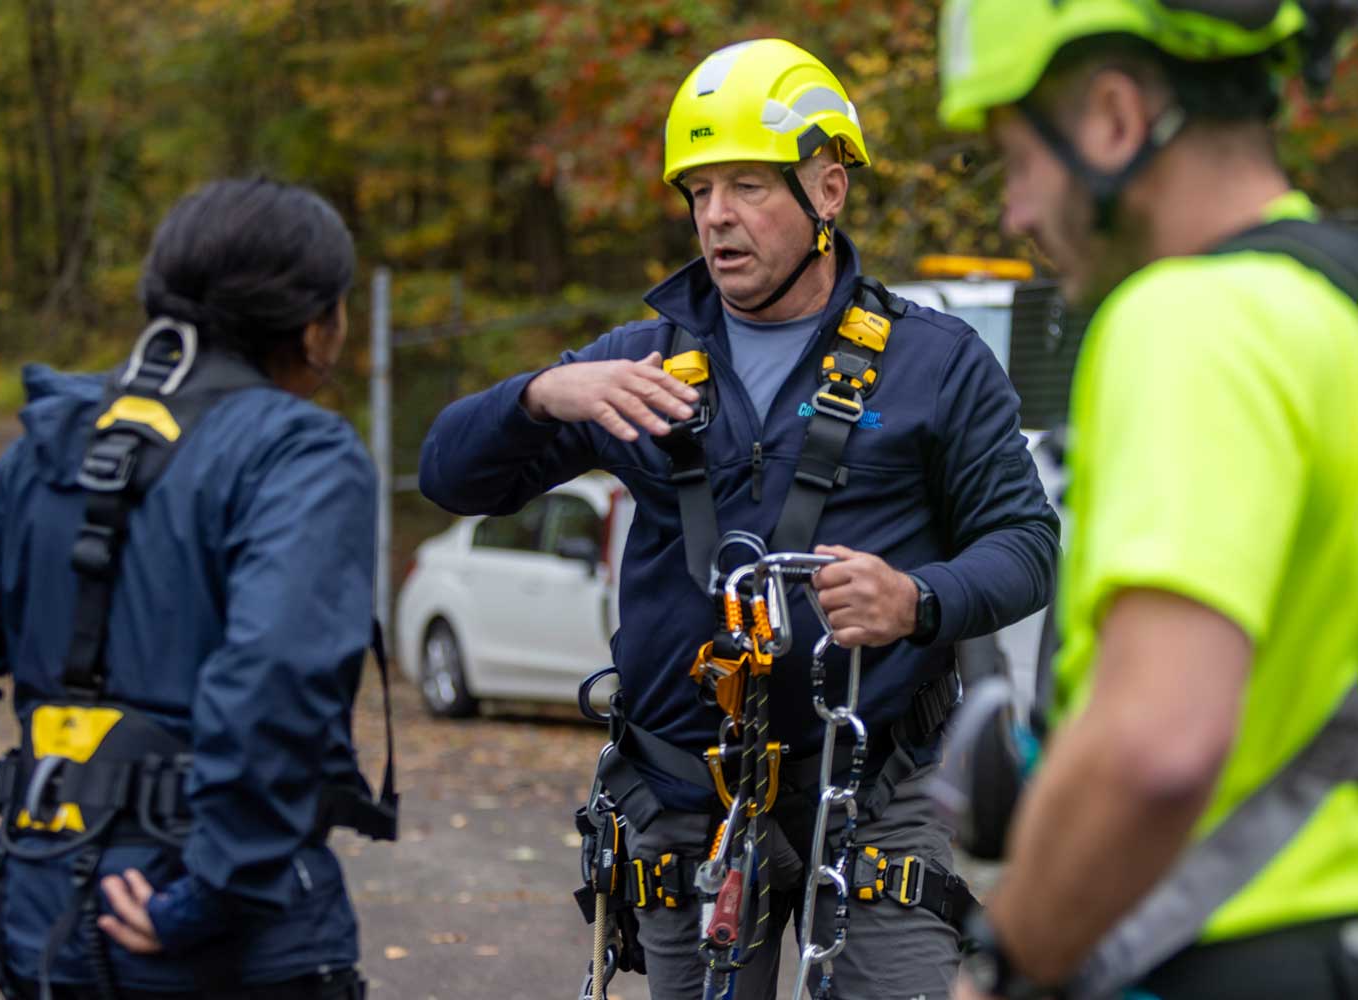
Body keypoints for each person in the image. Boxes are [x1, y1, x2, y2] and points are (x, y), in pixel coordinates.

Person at [421, 38, 1058, 1000]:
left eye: (748, 186)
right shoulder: (635, 368)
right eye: (699, 189)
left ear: (827, 192)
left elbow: (1027, 547)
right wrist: (544, 394)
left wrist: (916, 601)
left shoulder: (936, 363)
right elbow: (449, 476)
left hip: (874, 787)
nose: (716, 216)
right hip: (687, 799)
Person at [0, 177, 394, 999]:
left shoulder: (52, 444)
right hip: (224, 938)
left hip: (42, 917)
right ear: (316, 321)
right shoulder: (301, 454)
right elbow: (276, 669)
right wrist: (218, 887)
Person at [935, 2, 1358, 998]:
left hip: (1218, 956)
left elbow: (1155, 744)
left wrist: (1006, 961)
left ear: (1115, 120)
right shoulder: (1333, 309)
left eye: (1016, 161)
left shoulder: (1186, 321)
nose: (1015, 214)